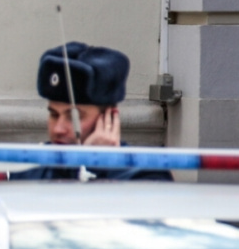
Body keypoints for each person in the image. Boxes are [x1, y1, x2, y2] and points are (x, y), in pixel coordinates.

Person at [15, 42, 172, 181]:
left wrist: (97, 165)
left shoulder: (146, 175)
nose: (58, 129)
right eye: (54, 114)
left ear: (109, 118)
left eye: (74, 117)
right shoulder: (26, 167)